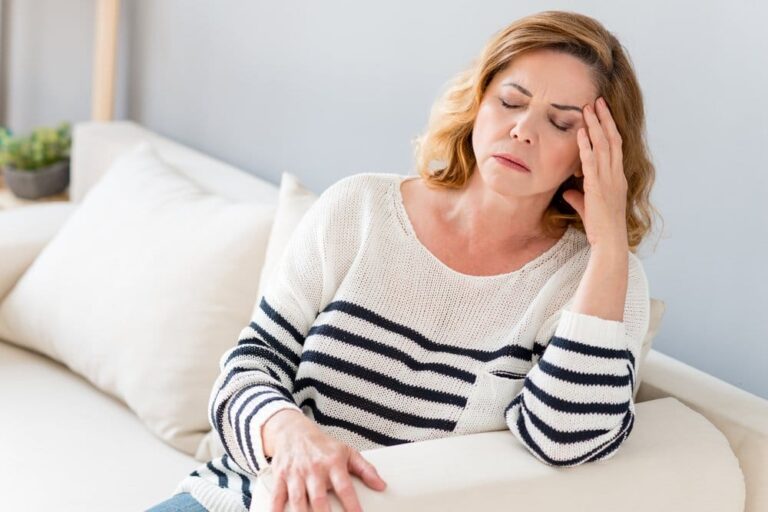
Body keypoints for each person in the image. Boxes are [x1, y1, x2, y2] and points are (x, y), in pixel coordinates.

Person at [148, 9, 659, 512]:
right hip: (238, 498)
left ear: (596, 155)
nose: (523, 129)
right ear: (479, 101)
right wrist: (288, 432)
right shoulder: (359, 209)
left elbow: (565, 440)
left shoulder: (600, 280)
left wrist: (610, 245)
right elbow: (245, 370)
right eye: (510, 101)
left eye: (561, 123)